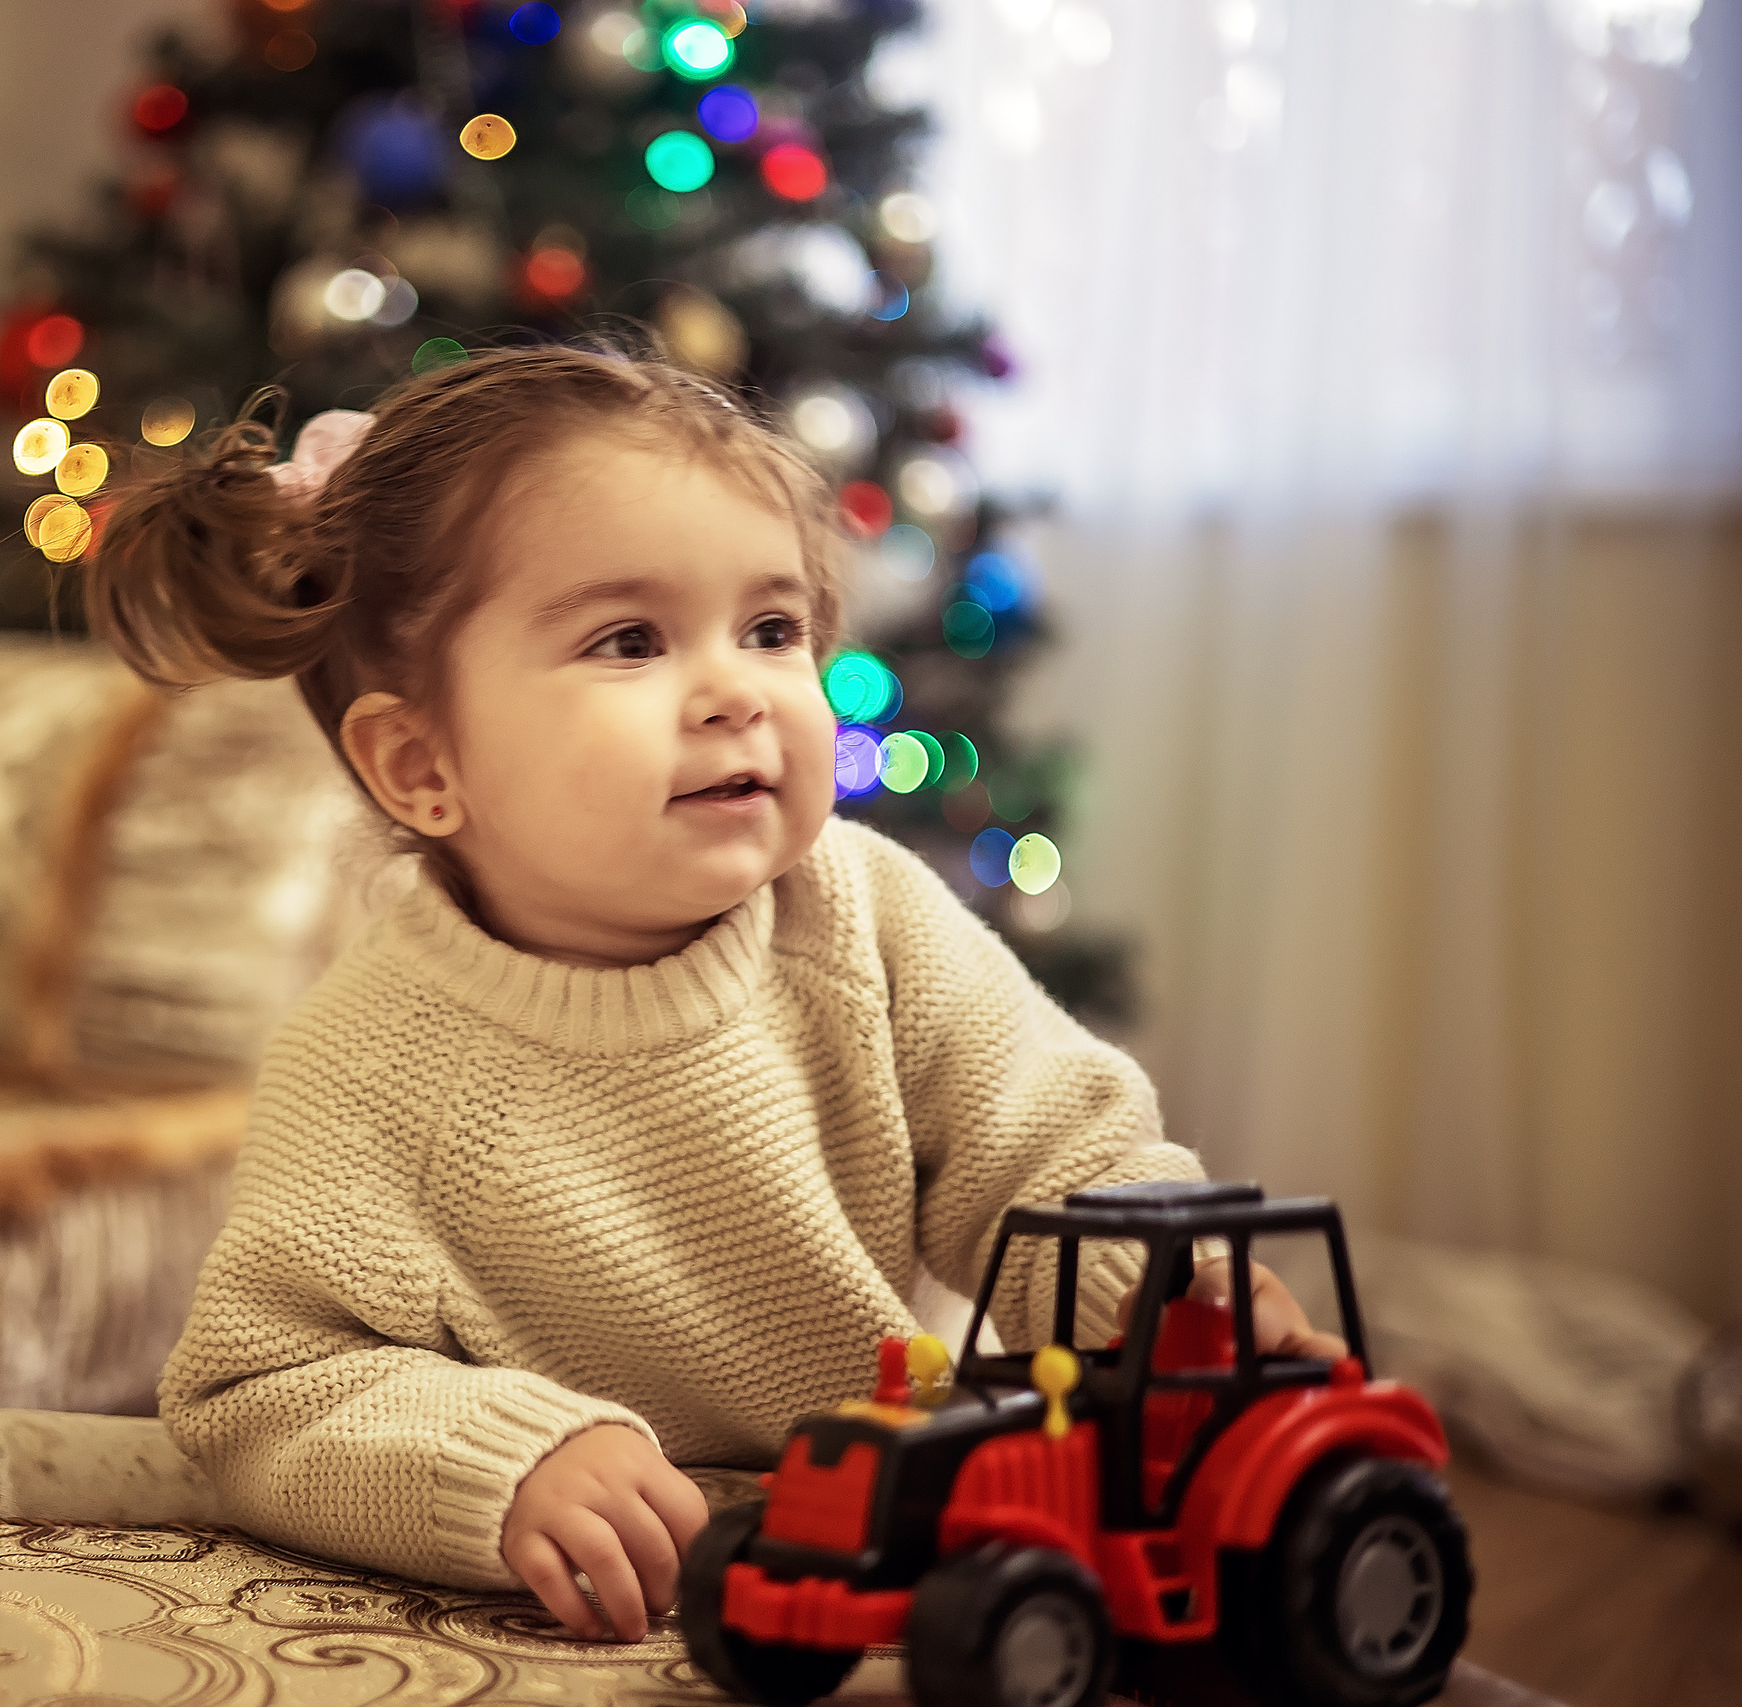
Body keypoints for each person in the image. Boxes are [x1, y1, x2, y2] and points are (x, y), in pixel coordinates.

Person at [85, 344, 1339, 1644]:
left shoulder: (866, 918)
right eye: (630, 641)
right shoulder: (368, 1067)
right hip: (640, 1592)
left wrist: (1162, 1296)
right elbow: (264, 1382)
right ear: (421, 764)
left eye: (774, 629)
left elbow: (1052, 1152)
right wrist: (505, 1461)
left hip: (912, 1521)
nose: (738, 690)